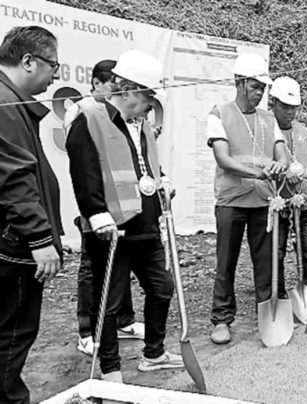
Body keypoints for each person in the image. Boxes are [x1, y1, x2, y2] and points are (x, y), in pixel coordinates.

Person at [66, 50, 182, 382]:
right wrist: (95, 213)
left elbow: (148, 166)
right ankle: (110, 369)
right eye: (148, 95)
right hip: (111, 229)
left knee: (162, 288)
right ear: (128, 90)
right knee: (109, 302)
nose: (151, 104)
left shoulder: (142, 123)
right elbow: (84, 172)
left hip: (145, 224)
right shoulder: (89, 117)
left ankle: (154, 353)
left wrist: (164, 181)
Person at [64, 59, 145, 357]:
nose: (115, 88)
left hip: (123, 210)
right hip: (95, 206)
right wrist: (95, 210)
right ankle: (87, 331)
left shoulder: (121, 117)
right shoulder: (83, 112)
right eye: (110, 82)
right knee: (92, 269)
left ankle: (124, 321)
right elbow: (85, 164)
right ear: (96, 84)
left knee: (120, 268)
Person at [0, 25, 63, 404]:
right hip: (15, 241)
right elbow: (15, 178)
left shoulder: (11, 101)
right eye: (53, 65)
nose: (56, 74)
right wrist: (41, 239)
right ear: (28, 61)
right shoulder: (6, 105)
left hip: (13, 235)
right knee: (13, 332)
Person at [207, 53, 288, 344]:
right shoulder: (220, 113)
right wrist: (257, 173)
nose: (260, 94)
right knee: (225, 262)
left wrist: (280, 164)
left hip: (263, 203)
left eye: (263, 89)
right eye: (255, 88)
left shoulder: (268, 118)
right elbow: (223, 158)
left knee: (265, 262)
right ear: (240, 83)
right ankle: (221, 319)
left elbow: (281, 153)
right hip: (231, 201)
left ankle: (267, 316)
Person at [269, 76, 307, 316]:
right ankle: (281, 294)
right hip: (279, 203)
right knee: (278, 250)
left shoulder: (303, 131)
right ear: (273, 103)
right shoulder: (267, 133)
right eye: (284, 107)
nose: (289, 112)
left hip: (304, 202)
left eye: (293, 108)